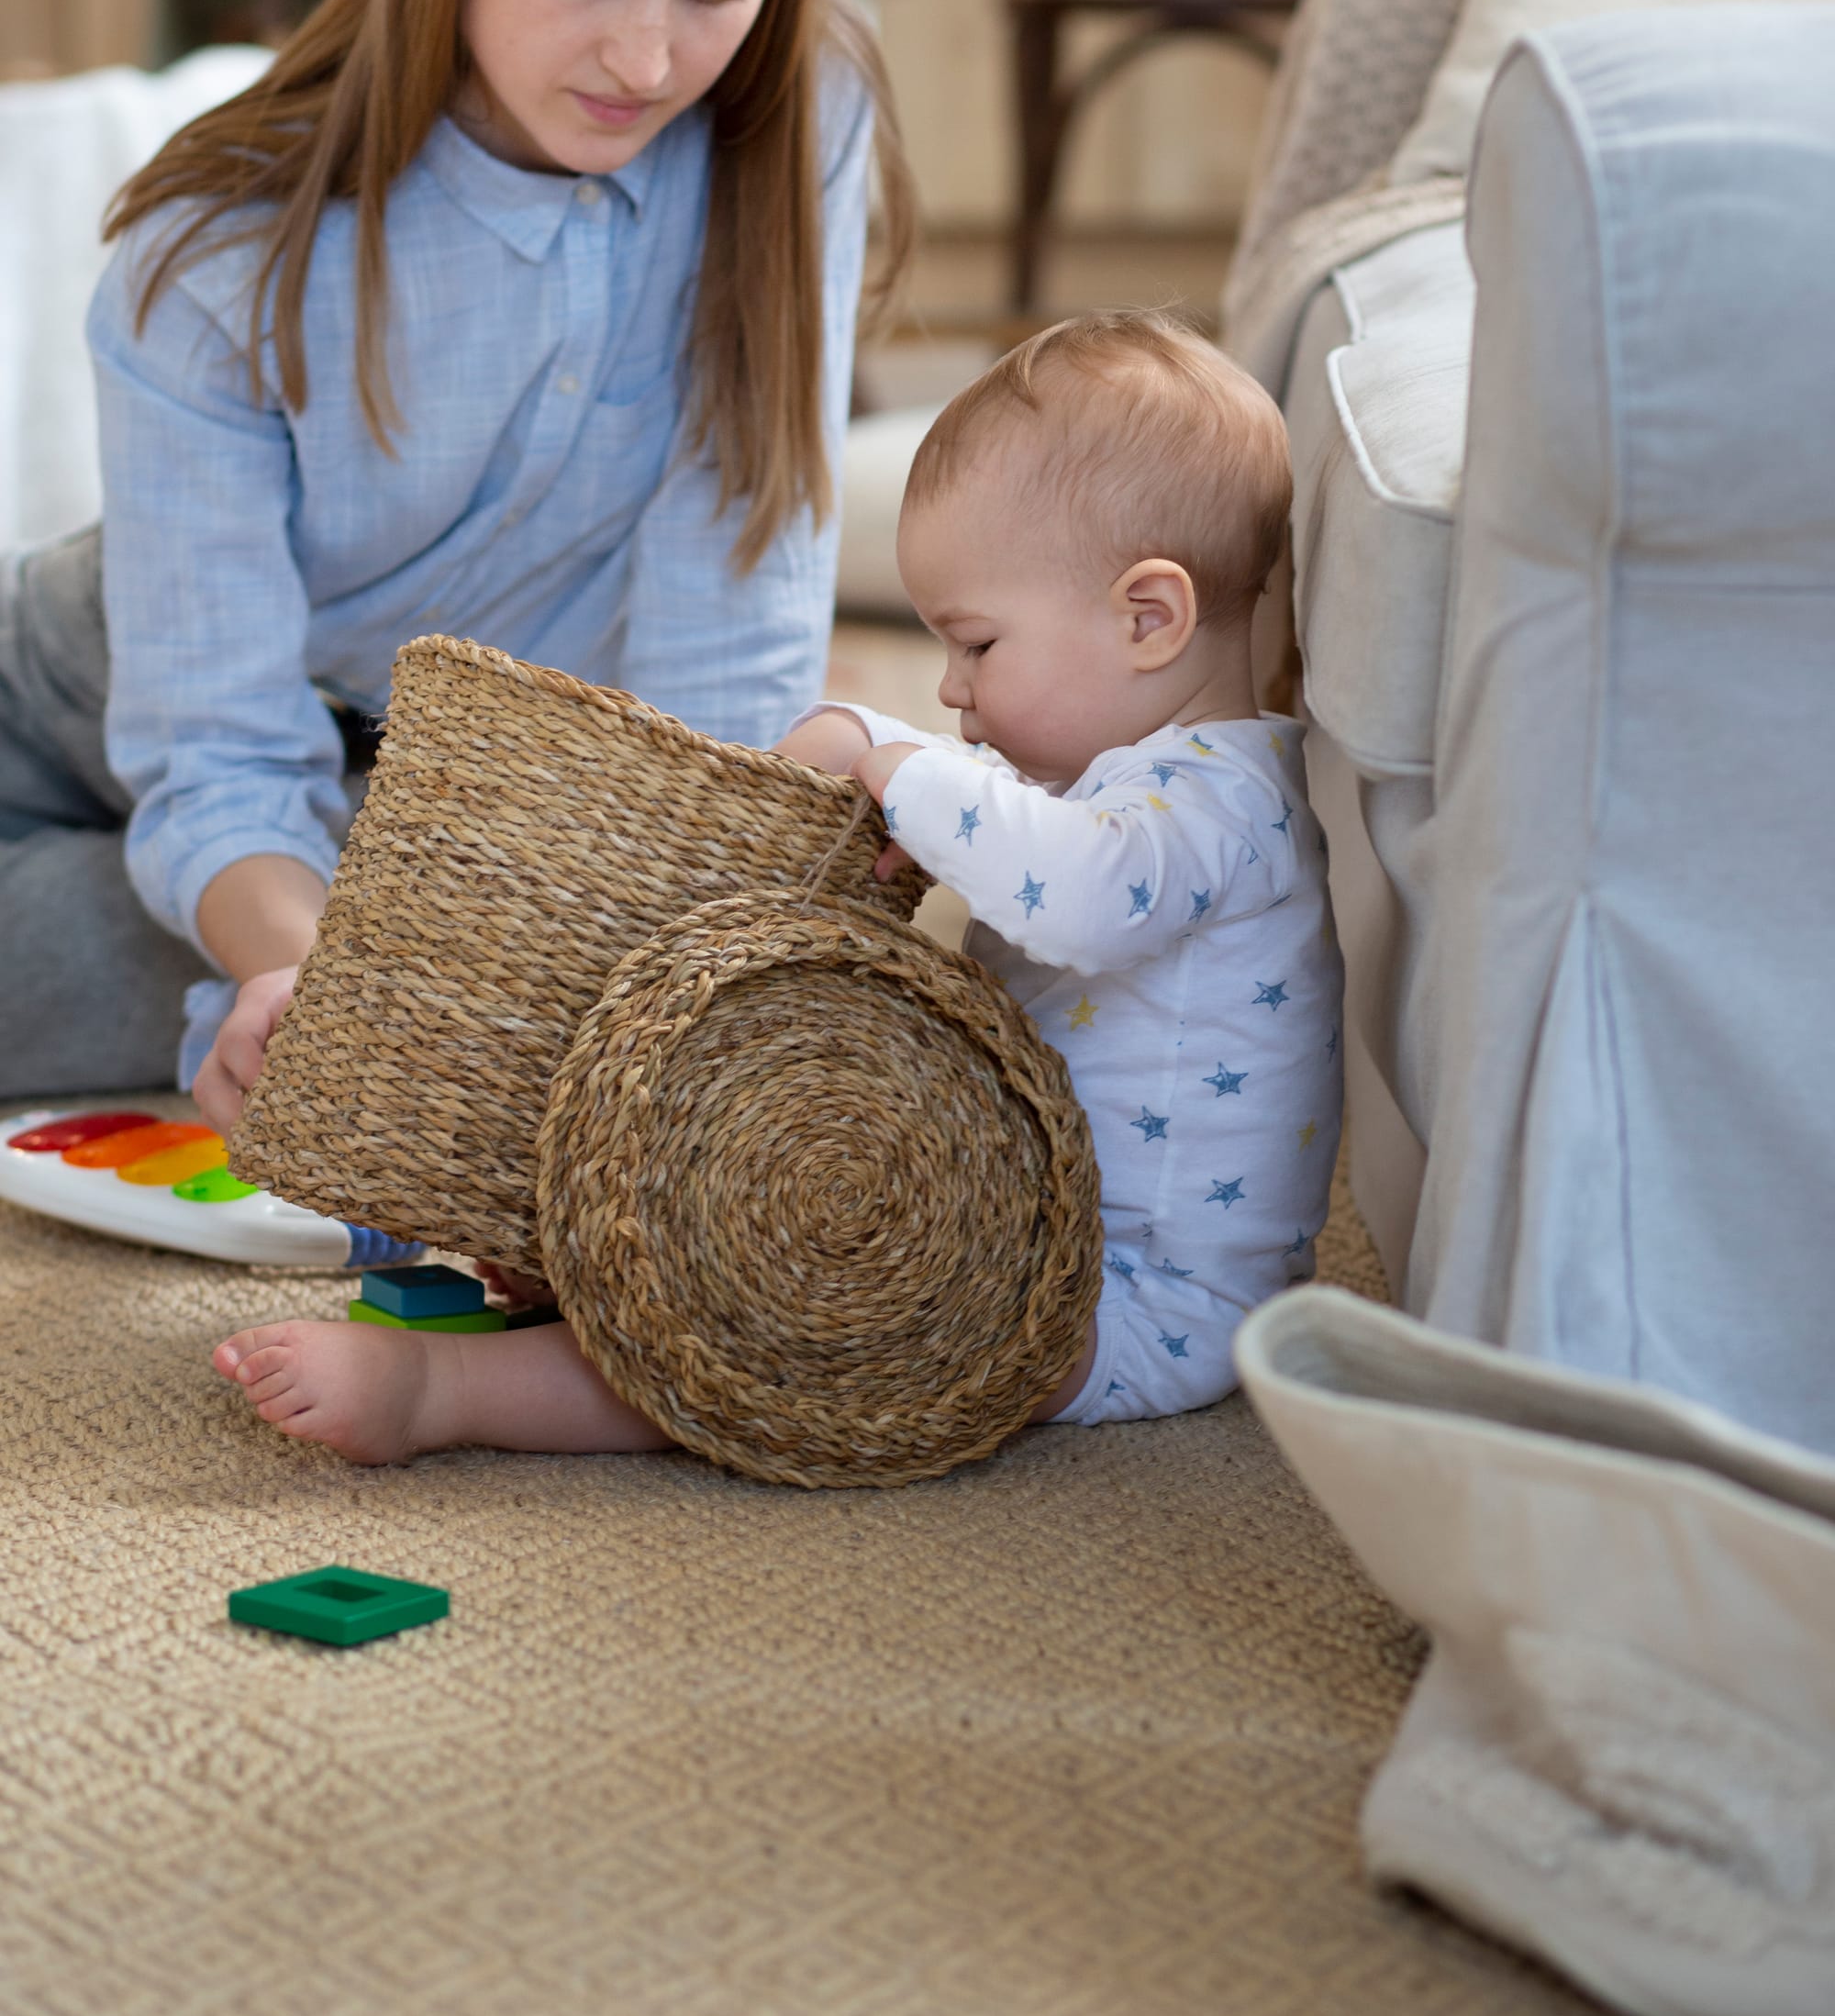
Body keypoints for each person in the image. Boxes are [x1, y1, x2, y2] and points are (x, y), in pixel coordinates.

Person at [0, 0, 912, 1106]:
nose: (646, 59)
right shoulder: (220, 242)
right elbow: (214, 740)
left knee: (459, 1023)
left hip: (434, 803)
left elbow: (728, 617)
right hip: (88, 682)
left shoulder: (801, 108)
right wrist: (297, 965)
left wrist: (707, 904)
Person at [212, 312, 1343, 1462]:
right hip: (1020, 1224)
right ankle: (583, 1272)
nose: (952, 691)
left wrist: (903, 766)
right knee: (729, 1223)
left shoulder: (1222, 802)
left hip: (1134, 1307)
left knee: (770, 1334)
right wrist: (870, 746)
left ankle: (449, 1391)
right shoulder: (1131, 785)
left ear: (1147, 620)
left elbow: (1085, 900)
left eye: (978, 647)